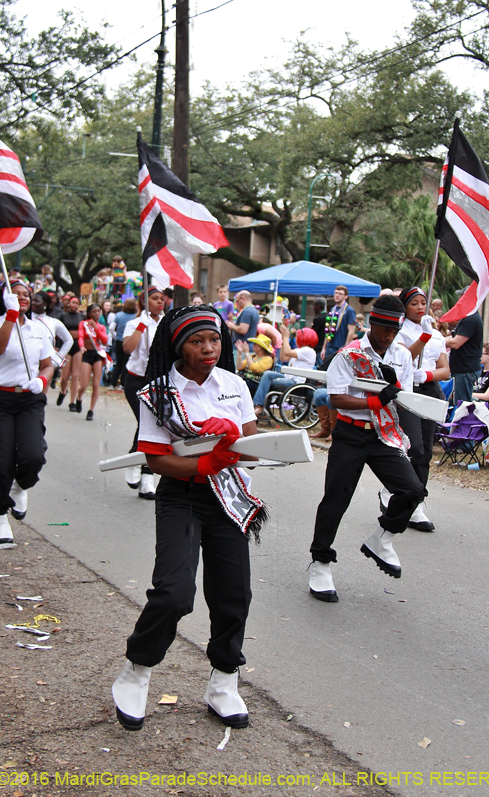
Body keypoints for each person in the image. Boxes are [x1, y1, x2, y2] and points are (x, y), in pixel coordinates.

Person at [111, 305, 265, 732]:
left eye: (214, 340)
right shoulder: (157, 392)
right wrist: (204, 463)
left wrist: (232, 440)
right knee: (174, 592)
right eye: (197, 342)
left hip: (228, 498)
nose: (208, 348)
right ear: (179, 346)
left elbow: (251, 447)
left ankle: (224, 681)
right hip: (182, 496)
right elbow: (157, 460)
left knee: (234, 594)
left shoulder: (234, 384)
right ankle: (137, 671)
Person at [308, 295, 424, 601]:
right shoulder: (349, 355)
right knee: (336, 499)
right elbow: (336, 398)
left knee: (412, 490)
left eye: (394, 330)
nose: (389, 335)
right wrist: (374, 399)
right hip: (350, 432)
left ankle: (382, 539)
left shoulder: (401, 355)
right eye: (384, 328)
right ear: (372, 323)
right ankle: (320, 562)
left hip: (383, 433)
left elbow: (404, 398)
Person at [0, 280, 54, 544]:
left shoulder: (38, 329)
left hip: (29, 399)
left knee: (33, 456)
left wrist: (42, 381)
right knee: (0, 462)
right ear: (5, 298)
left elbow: (47, 365)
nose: (23, 298)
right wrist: (11, 316)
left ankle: (21, 485)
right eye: (16, 294)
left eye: (27, 295)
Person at [387, 285, 450, 532]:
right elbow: (405, 357)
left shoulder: (436, 333)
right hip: (408, 392)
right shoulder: (399, 331)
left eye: (423, 302)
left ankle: (417, 503)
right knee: (414, 446)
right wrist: (422, 337)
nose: (420, 307)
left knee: (426, 451)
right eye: (414, 303)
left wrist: (428, 374)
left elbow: (445, 369)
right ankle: (400, 491)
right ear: (405, 306)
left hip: (430, 389)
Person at [122, 287, 165, 498]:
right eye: (155, 298)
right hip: (135, 380)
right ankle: (136, 461)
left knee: (152, 424)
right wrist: (142, 325)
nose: (160, 302)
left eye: (162, 299)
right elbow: (128, 348)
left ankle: (145, 471)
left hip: (158, 382)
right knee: (146, 422)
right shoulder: (134, 323)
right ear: (143, 300)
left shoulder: (165, 323)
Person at [251, 326, 317, 418]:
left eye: (298, 335)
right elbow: (283, 358)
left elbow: (287, 353)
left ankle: (259, 406)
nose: (296, 337)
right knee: (267, 374)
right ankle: (260, 406)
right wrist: (283, 340)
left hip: (296, 382)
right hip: (289, 378)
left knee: (267, 377)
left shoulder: (308, 351)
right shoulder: (301, 351)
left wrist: (285, 338)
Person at [30, 291, 72, 394]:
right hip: (28, 362)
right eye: (32, 300)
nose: (33, 303)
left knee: (40, 397)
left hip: (45, 364)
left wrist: (56, 360)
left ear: (46, 304)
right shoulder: (25, 318)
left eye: (37, 301)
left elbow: (69, 340)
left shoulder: (53, 322)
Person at [445, 309, 483, 404]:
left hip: (465, 369)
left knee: (462, 406)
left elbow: (456, 343)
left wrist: (436, 340)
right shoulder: (471, 317)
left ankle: (463, 419)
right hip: (464, 369)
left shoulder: (470, 319)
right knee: (461, 403)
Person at [77, 304, 108, 420]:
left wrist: (96, 327)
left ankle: (91, 410)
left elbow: (104, 340)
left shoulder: (101, 326)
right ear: (89, 313)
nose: (97, 314)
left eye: (99, 311)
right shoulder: (83, 324)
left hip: (98, 355)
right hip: (87, 354)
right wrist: (81, 346)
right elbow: (80, 336)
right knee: (84, 384)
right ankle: (79, 397)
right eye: (94, 311)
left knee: (96, 384)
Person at [57, 295, 84, 411]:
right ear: (68, 303)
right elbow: (57, 332)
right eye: (72, 303)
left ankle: (72, 401)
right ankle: (63, 391)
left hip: (78, 346)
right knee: (64, 376)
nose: (74, 305)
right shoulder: (62, 316)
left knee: (75, 375)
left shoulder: (82, 317)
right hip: (66, 345)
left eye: (77, 303)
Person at [320, 286, 356, 363]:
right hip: (330, 346)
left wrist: (346, 349)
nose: (337, 295)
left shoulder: (349, 311)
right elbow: (328, 329)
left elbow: (351, 331)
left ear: (346, 296)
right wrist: (324, 348)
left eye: (340, 294)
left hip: (340, 347)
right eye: (336, 293)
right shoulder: (333, 309)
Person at [110, 298, 137, 389]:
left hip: (119, 341)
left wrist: (116, 336)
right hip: (130, 342)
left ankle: (112, 383)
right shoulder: (136, 316)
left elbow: (111, 328)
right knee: (126, 363)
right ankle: (122, 384)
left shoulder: (119, 315)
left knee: (118, 362)